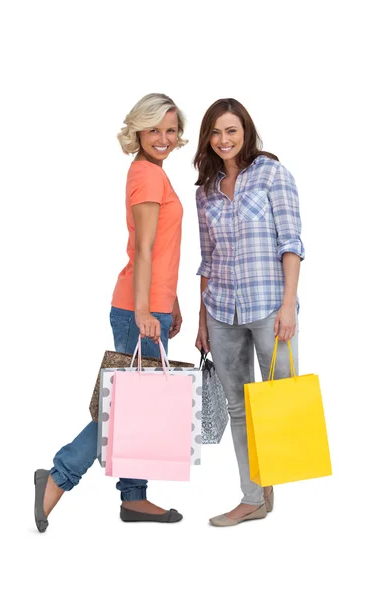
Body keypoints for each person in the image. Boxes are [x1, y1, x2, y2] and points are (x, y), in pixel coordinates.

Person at [34, 93, 188, 532]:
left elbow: (159, 251)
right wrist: (145, 308)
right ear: (138, 130)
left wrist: (169, 300)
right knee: (124, 411)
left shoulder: (153, 173)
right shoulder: (146, 175)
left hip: (152, 305)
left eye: (170, 129)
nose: (163, 137)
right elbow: (141, 249)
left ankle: (134, 499)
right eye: (154, 129)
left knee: (138, 408)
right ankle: (58, 477)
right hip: (138, 309)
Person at [194, 98, 305, 527]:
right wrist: (203, 319)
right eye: (216, 133)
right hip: (221, 309)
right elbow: (207, 260)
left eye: (231, 131)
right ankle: (253, 496)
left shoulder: (273, 175)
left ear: (246, 132)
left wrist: (288, 305)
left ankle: (269, 477)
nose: (224, 140)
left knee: (279, 399)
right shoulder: (206, 191)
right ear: (208, 138)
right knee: (239, 406)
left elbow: (291, 243)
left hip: (269, 308)